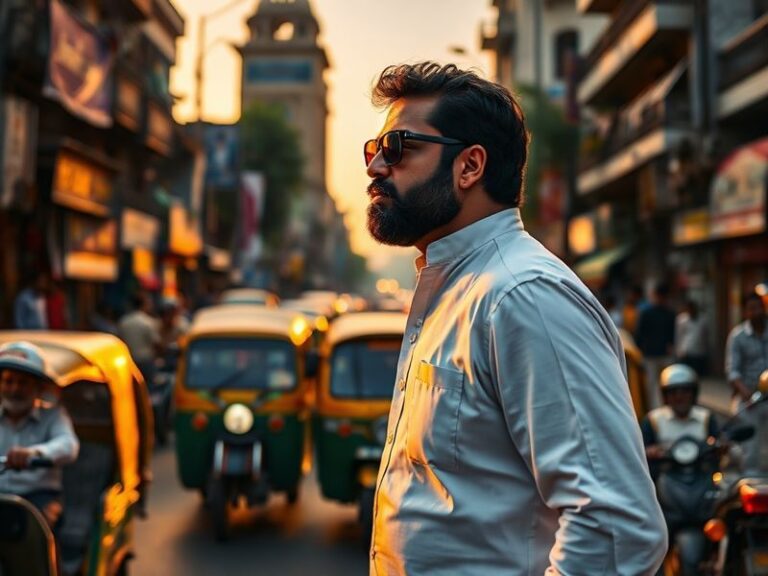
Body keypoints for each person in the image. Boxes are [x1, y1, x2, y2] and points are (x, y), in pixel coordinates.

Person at [363, 62, 666, 575]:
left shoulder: (523, 296)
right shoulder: (454, 287)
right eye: (373, 151)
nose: (375, 168)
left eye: (398, 148)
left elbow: (617, 528)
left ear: (469, 166)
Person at [640, 364, 718, 576]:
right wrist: (650, 452)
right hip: (666, 481)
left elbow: (721, 444)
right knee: (646, 525)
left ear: (694, 394)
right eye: (674, 392)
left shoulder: (706, 418)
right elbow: (638, 449)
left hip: (700, 478)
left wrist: (723, 446)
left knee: (724, 513)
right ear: (666, 396)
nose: (680, 397)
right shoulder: (653, 420)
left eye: (685, 391)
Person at [0, 341, 80, 527]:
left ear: (39, 388)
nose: (14, 389)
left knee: (41, 526)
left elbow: (68, 445)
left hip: (39, 496)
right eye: (8, 381)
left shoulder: (53, 415)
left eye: (23, 383)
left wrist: (33, 454)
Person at [725, 291, 768, 475]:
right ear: (745, 312)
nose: (756, 312)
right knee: (751, 445)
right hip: (750, 399)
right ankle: (752, 480)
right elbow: (732, 370)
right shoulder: (738, 336)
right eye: (751, 309)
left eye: (759, 308)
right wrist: (744, 391)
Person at [635, 282, 676, 410]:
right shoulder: (664, 313)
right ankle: (657, 410)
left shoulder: (652, 313)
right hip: (653, 354)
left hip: (659, 353)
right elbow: (640, 334)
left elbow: (639, 335)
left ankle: (664, 408)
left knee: (661, 384)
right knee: (654, 385)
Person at [117, 293, 161, 385]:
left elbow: (119, 341)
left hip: (129, 362)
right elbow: (156, 343)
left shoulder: (123, 322)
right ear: (144, 304)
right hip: (146, 361)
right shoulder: (148, 322)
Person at [674, 299, 707, 376]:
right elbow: (678, 335)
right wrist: (678, 350)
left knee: (696, 373)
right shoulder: (681, 320)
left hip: (698, 352)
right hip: (685, 351)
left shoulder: (703, 320)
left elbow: (705, 337)